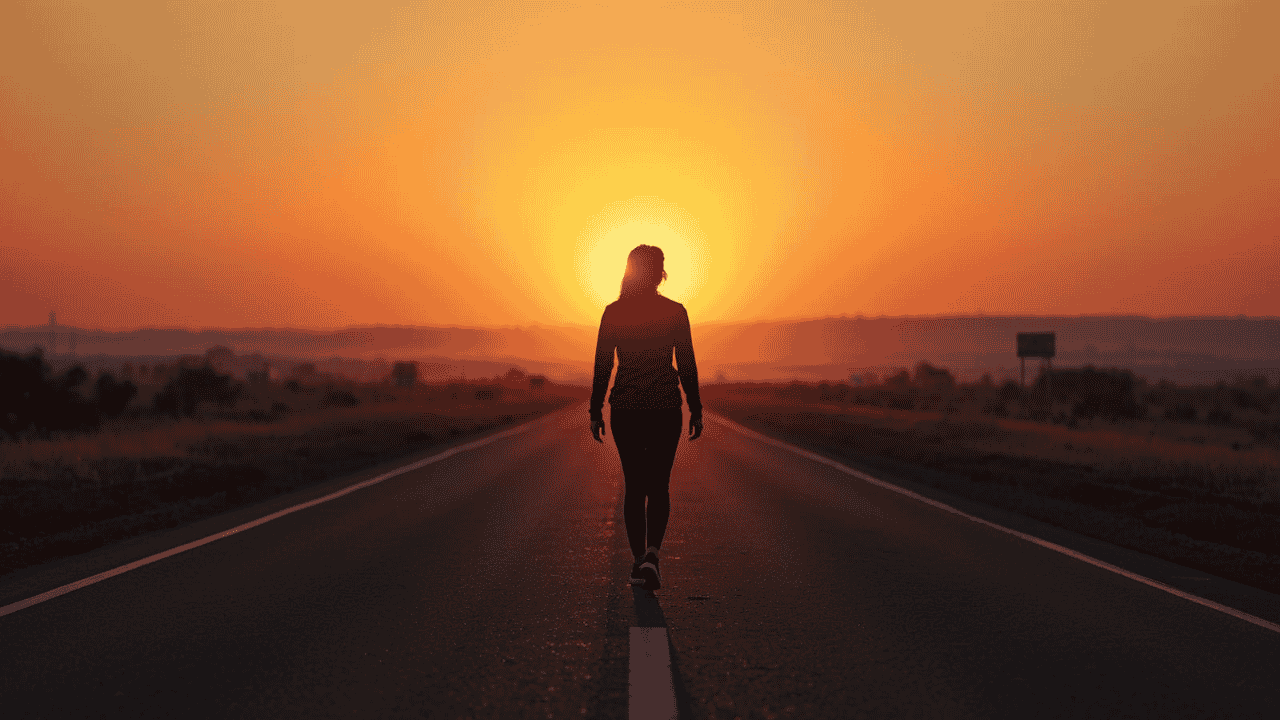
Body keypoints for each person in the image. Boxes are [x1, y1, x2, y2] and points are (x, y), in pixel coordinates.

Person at [590, 244, 703, 592]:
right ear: (658, 273)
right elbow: (686, 363)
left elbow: (603, 366)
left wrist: (595, 409)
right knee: (658, 485)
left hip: (626, 409)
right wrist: (696, 408)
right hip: (665, 409)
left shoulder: (614, 312)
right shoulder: (674, 312)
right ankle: (652, 555)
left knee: (635, 486)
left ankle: (641, 559)